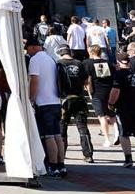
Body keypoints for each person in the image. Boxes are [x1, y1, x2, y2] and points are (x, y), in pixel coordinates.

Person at [27, 42, 66, 177]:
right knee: (57, 135)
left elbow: (34, 80)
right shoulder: (51, 58)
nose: (27, 52)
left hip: (43, 103)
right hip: (55, 101)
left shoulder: (35, 59)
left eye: (28, 48)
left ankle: (52, 166)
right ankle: (61, 165)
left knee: (48, 136)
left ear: (33, 47)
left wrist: (31, 99)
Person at [55, 46, 94, 164]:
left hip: (64, 100)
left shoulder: (58, 64)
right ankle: (88, 155)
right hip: (79, 98)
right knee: (82, 128)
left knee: (62, 127)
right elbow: (86, 81)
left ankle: (61, 154)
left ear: (60, 53)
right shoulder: (79, 63)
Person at [82, 44, 117, 146]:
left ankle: (107, 139)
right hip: (109, 91)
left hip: (97, 92)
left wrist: (90, 93)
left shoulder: (88, 63)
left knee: (101, 116)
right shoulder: (108, 63)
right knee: (112, 114)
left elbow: (88, 80)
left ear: (91, 52)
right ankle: (117, 133)